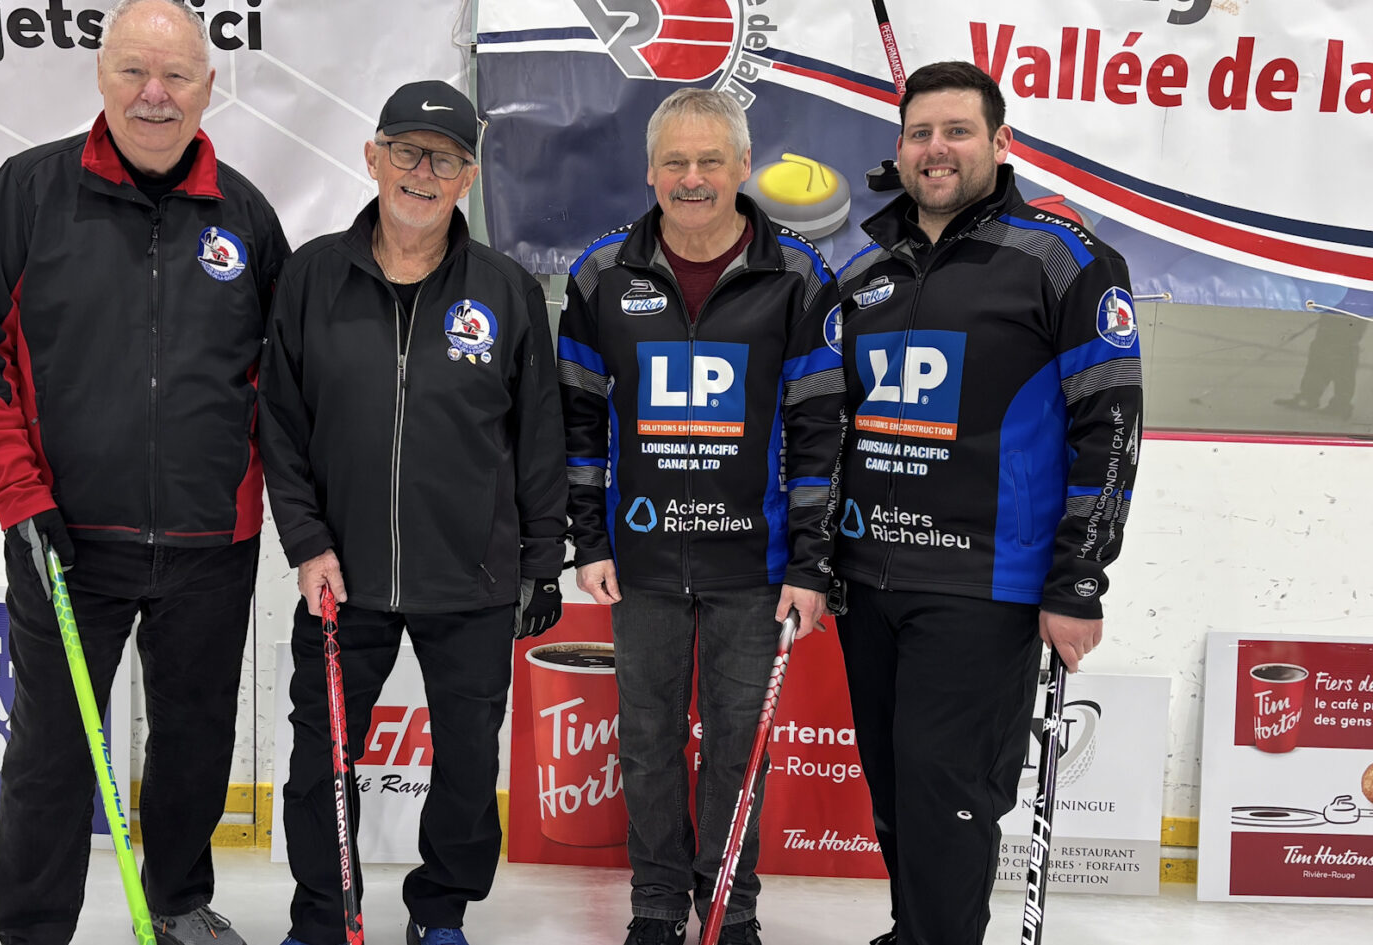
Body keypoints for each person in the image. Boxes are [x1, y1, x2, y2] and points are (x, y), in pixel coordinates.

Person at [0, 1, 289, 942]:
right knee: (52, 752)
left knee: (195, 740)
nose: (153, 94)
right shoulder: (29, 192)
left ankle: (176, 903)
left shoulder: (247, 217)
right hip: (64, 536)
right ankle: (32, 928)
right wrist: (20, 496)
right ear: (101, 77)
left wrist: (284, 511)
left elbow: (286, 382)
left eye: (176, 76)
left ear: (208, 89)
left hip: (210, 542)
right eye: (134, 71)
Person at [816, 61, 1143, 945]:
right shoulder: (866, 270)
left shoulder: (1064, 258)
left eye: (958, 131)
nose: (937, 148)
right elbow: (832, 427)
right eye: (920, 133)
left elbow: (1111, 426)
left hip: (984, 582)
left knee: (947, 794)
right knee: (894, 789)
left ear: (1000, 143)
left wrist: (1078, 579)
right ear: (899, 149)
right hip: (868, 579)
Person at [260, 79, 567, 945]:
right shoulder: (313, 276)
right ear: (373, 157)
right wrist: (307, 542)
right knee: (321, 756)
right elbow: (279, 423)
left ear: (468, 177)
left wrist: (543, 563)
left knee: (467, 761)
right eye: (407, 152)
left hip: (471, 575)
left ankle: (439, 912)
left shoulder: (506, 291)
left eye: (445, 159)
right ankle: (325, 914)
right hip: (341, 572)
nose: (422, 173)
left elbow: (538, 436)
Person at [559, 87, 843, 945]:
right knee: (646, 742)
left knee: (737, 748)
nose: (692, 178)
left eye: (710, 161)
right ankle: (655, 903)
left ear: (743, 166)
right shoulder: (600, 274)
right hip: (640, 563)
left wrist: (809, 562)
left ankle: (731, 905)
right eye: (675, 162)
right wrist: (589, 539)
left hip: (754, 568)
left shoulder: (798, 275)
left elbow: (819, 432)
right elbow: (578, 420)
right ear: (649, 172)